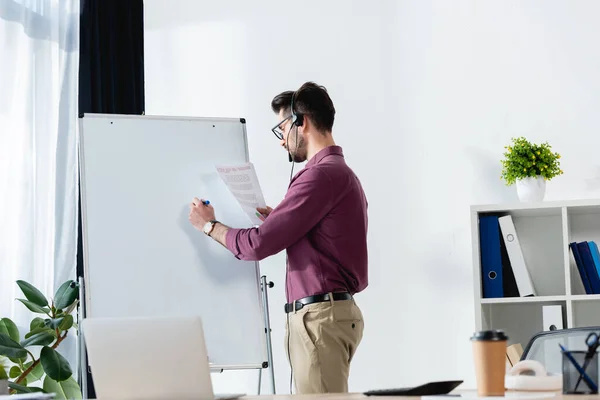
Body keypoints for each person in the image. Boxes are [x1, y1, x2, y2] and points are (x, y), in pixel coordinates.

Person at [188, 81, 368, 394]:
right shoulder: (339, 174)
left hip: (319, 319)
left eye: (282, 127)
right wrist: (282, 222)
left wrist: (209, 225)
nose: (281, 140)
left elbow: (257, 244)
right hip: (327, 316)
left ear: (303, 122)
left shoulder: (320, 176)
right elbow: (329, 243)